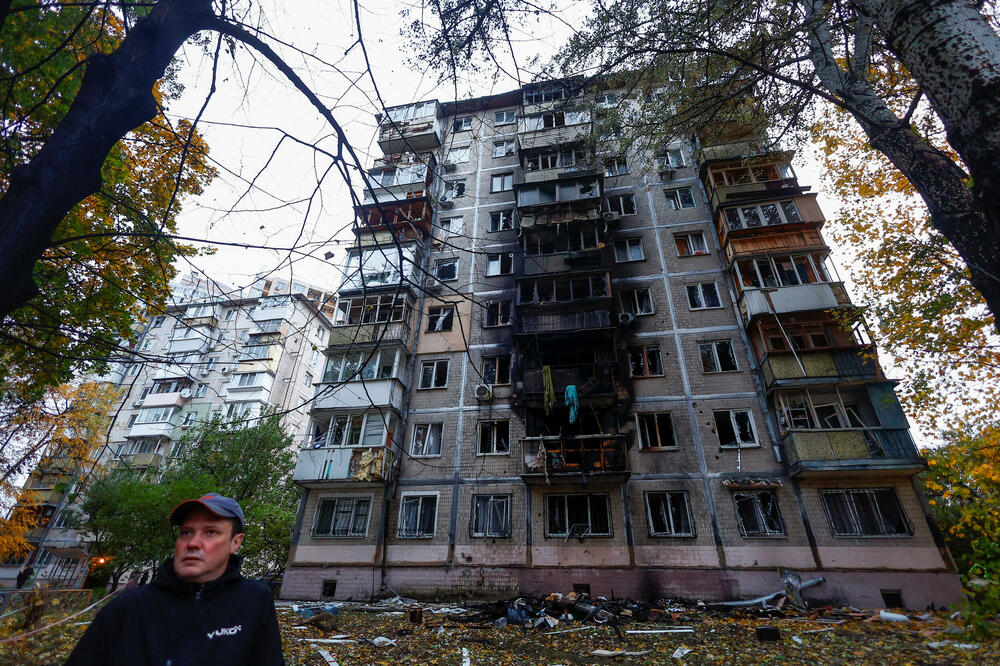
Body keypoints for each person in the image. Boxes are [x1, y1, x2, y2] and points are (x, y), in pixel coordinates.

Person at [66, 492, 284, 665]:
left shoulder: (253, 601)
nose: (193, 543)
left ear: (236, 542)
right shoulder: (128, 607)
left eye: (210, 532)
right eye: (186, 532)